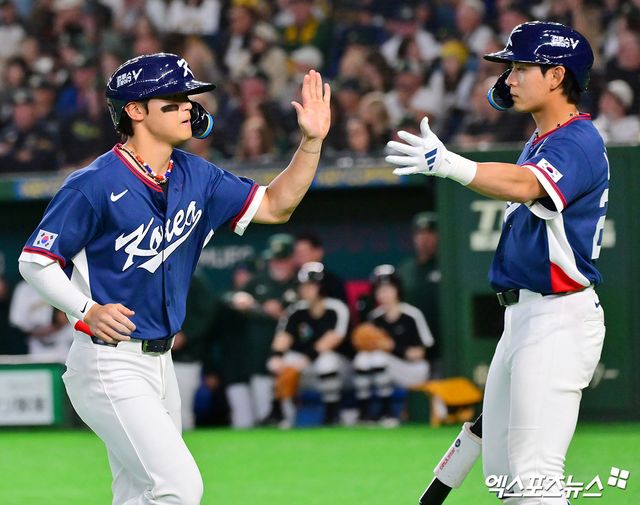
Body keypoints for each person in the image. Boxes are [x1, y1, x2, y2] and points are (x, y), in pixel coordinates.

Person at [18, 52, 330, 505]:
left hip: (161, 363)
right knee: (178, 488)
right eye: (173, 100)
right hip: (109, 361)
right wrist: (85, 309)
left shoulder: (196, 174)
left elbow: (276, 205)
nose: (188, 107)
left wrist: (311, 143)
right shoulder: (93, 183)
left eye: (188, 99)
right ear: (135, 110)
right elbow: (35, 261)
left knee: (138, 494)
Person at [386, 22, 607, 504]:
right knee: (506, 476)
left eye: (522, 67)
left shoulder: (578, 139)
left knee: (535, 474)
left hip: (558, 314)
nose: (509, 78)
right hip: (526, 318)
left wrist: (451, 164)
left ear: (557, 76)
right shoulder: (542, 140)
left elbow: (527, 185)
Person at [265, 261, 350, 428]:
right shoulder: (296, 310)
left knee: (327, 360)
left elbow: (331, 340)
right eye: (303, 285)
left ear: (322, 287)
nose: (305, 289)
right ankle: (278, 413)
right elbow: (283, 337)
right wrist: (277, 357)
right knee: (276, 364)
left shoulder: (336, 308)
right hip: (307, 368)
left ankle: (331, 414)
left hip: (342, 371)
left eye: (311, 285)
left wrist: (303, 361)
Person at [352, 265, 433, 427]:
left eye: (388, 289)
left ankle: (387, 412)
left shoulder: (411, 315)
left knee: (379, 358)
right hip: (385, 370)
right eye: (380, 290)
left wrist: (391, 347)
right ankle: (364, 412)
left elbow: (419, 353)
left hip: (413, 369)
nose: (384, 294)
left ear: (397, 290)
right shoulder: (375, 317)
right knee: (362, 358)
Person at [396, 212, 442, 368]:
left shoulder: (448, 265)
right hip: (414, 348)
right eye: (420, 233)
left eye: (430, 233)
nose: (424, 238)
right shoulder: (405, 270)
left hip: (444, 345)